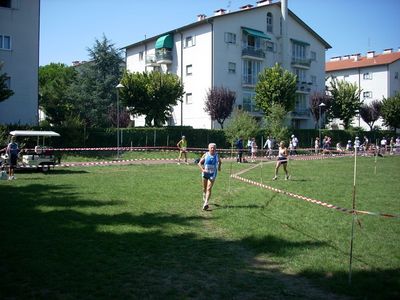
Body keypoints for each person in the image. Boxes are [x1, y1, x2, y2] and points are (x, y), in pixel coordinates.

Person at [198, 143, 222, 211]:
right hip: (205, 174)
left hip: (212, 174)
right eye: (211, 147)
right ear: (208, 148)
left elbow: (220, 162)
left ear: (215, 148)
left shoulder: (217, 155)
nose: (212, 149)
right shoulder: (206, 154)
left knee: (209, 188)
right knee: (204, 188)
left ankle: (206, 203)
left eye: (214, 148)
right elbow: (199, 163)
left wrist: (219, 167)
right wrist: (203, 170)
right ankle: (204, 194)